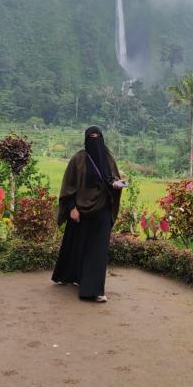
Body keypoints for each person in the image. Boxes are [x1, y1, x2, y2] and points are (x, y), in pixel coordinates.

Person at [51, 126, 123, 302]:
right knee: (77, 244)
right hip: (81, 211)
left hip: (103, 209)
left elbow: (111, 179)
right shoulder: (78, 159)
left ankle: (94, 291)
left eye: (98, 136)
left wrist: (116, 185)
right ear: (86, 139)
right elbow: (68, 186)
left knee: (98, 251)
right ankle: (71, 276)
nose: (95, 139)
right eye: (91, 136)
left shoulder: (108, 158)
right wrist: (71, 208)